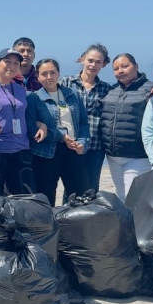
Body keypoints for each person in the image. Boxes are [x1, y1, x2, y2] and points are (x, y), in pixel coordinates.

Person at [0, 49, 50, 196]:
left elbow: (24, 115)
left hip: (21, 149)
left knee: (25, 198)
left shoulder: (19, 89)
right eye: (8, 61)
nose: (12, 65)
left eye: (16, 63)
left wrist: (40, 124)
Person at [30, 58, 89, 205]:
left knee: (80, 195)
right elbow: (32, 128)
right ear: (38, 76)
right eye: (44, 74)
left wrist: (83, 142)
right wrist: (61, 136)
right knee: (46, 196)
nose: (49, 77)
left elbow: (83, 122)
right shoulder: (34, 98)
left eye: (52, 72)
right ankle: (48, 227)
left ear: (58, 74)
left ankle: (76, 226)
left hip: (74, 149)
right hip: (47, 152)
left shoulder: (73, 94)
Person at [60, 43, 113, 196]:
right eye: (90, 60)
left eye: (98, 62)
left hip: (95, 147)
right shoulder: (66, 83)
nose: (93, 65)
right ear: (82, 59)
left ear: (104, 64)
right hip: (69, 144)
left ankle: (89, 220)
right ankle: (67, 219)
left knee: (91, 188)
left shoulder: (106, 88)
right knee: (71, 189)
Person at [99, 53, 153, 199]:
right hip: (112, 155)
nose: (120, 71)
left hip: (138, 156)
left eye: (125, 66)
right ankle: (125, 222)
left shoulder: (151, 90)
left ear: (136, 66)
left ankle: (135, 222)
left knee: (133, 198)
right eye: (116, 68)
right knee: (121, 195)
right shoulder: (111, 90)